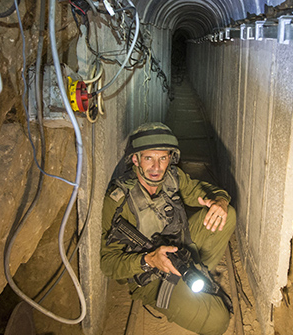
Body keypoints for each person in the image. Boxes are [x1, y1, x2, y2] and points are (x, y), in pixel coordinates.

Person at [100, 122, 236, 335]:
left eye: (162, 158)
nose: (156, 167)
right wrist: (149, 260)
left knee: (226, 216)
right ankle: (186, 286)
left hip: (181, 249)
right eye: (149, 158)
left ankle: (197, 272)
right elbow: (107, 264)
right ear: (135, 159)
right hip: (151, 276)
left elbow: (201, 191)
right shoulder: (117, 200)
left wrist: (220, 200)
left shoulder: (173, 177)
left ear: (170, 159)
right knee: (218, 321)